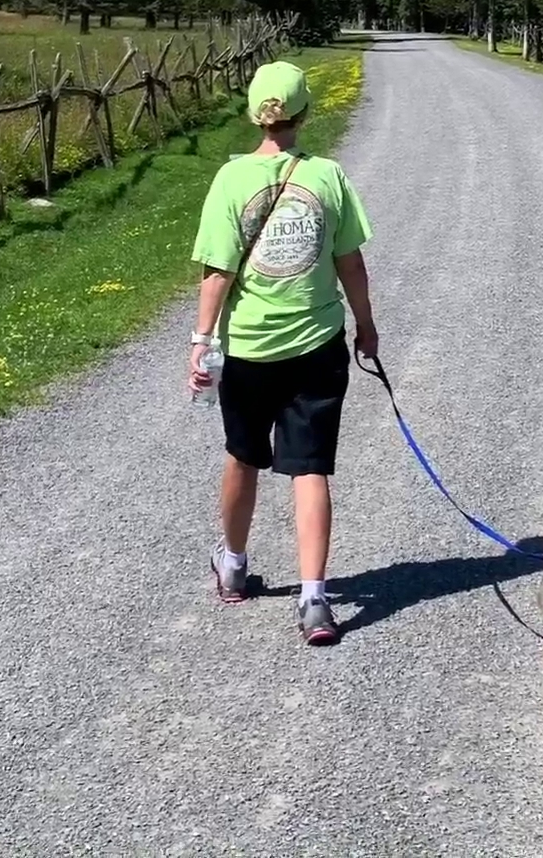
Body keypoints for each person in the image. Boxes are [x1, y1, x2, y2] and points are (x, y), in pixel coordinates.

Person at [189, 59, 377, 646]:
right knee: (311, 467)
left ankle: (234, 566)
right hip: (317, 344)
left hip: (248, 349)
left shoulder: (230, 179)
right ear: (304, 112)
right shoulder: (327, 177)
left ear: (253, 113)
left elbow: (217, 271)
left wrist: (200, 342)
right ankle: (315, 599)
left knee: (243, 456)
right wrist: (365, 326)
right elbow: (350, 261)